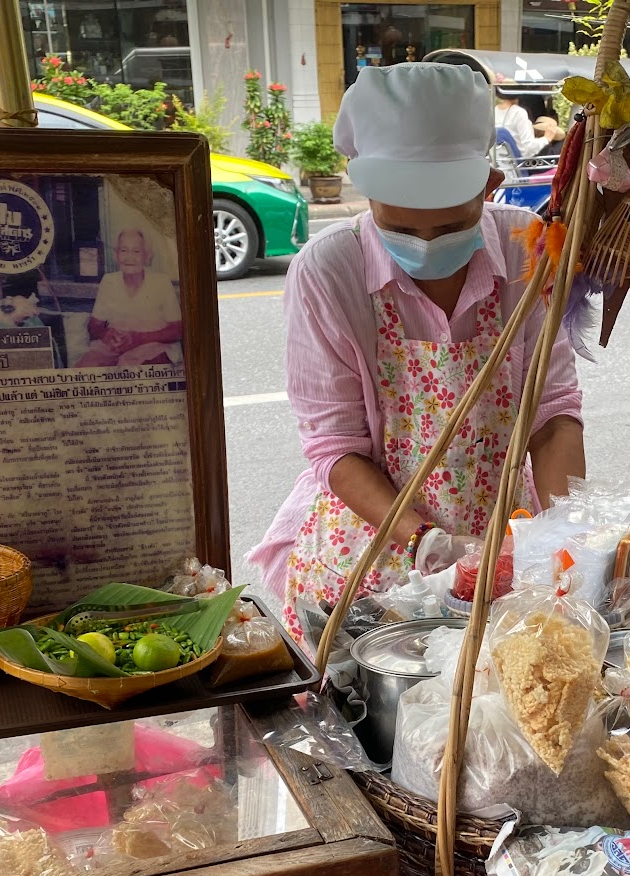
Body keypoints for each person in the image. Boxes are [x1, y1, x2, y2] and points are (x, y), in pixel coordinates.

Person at [247, 62, 587, 641]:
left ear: (489, 186)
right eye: (400, 227)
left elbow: (552, 411)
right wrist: (425, 541)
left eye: (451, 225)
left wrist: (564, 539)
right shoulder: (330, 271)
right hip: (375, 542)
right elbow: (334, 447)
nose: (426, 245)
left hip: (506, 533)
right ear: (368, 193)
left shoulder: (525, 249)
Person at [77, 227, 182, 366]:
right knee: (85, 367)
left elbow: (177, 329)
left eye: (136, 251)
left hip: (153, 345)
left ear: (146, 255)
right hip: (115, 346)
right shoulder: (109, 281)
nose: (129, 257)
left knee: (132, 370)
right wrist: (105, 334)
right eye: (123, 250)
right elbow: (94, 325)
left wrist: (139, 339)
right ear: (116, 255)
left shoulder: (161, 282)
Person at [495, 87, 562, 161]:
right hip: (523, 163)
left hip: (503, 160)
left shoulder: (494, 110)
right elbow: (529, 148)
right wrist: (546, 138)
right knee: (565, 144)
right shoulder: (518, 113)